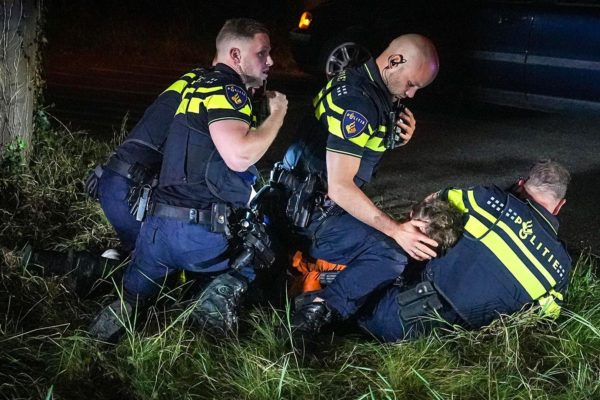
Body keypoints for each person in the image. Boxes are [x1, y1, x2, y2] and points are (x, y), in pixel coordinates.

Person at [89, 18, 288, 342]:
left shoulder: (192, 86)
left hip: (155, 234)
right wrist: (278, 113)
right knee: (257, 259)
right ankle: (208, 330)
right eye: (262, 53)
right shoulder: (227, 89)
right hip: (198, 235)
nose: (270, 62)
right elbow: (239, 155)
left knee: (130, 303)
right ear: (235, 55)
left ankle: (88, 351)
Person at [268, 34, 439, 331]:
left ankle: (310, 280)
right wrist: (395, 231)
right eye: (411, 84)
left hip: (300, 196)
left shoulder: (362, 79)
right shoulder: (360, 103)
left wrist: (395, 139)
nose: (411, 94)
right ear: (395, 61)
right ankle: (313, 317)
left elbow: (358, 144)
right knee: (392, 253)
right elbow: (341, 187)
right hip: (311, 212)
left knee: (386, 235)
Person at [299, 160, 573, 345]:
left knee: (395, 248)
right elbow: (540, 321)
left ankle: (312, 296)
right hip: (451, 345)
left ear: (521, 184)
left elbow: (432, 202)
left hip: (397, 316)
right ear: (559, 206)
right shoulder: (561, 267)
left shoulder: (488, 199)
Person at [290, 197, 463, 348]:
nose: (414, 244)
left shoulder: (410, 268)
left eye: (424, 245)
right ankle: (302, 324)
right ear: (409, 217)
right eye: (416, 234)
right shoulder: (383, 246)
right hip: (305, 277)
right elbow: (309, 269)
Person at [84, 67, 208, 254]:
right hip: (130, 192)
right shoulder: (211, 94)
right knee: (151, 262)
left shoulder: (188, 80)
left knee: (134, 251)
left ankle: (113, 261)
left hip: (112, 181)